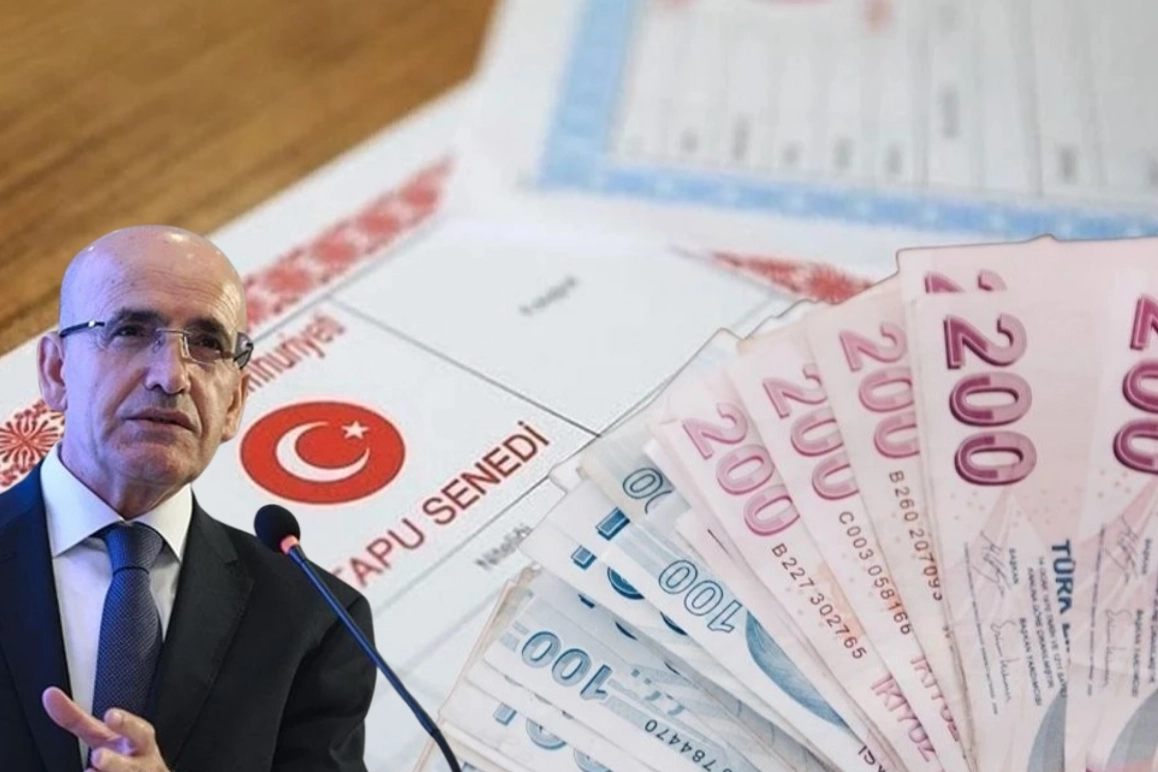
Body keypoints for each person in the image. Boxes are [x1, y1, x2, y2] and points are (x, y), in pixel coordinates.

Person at [0, 225, 377, 771]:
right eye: (131, 331)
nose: (171, 376)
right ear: (56, 372)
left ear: (234, 403)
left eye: (207, 344)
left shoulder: (316, 624)